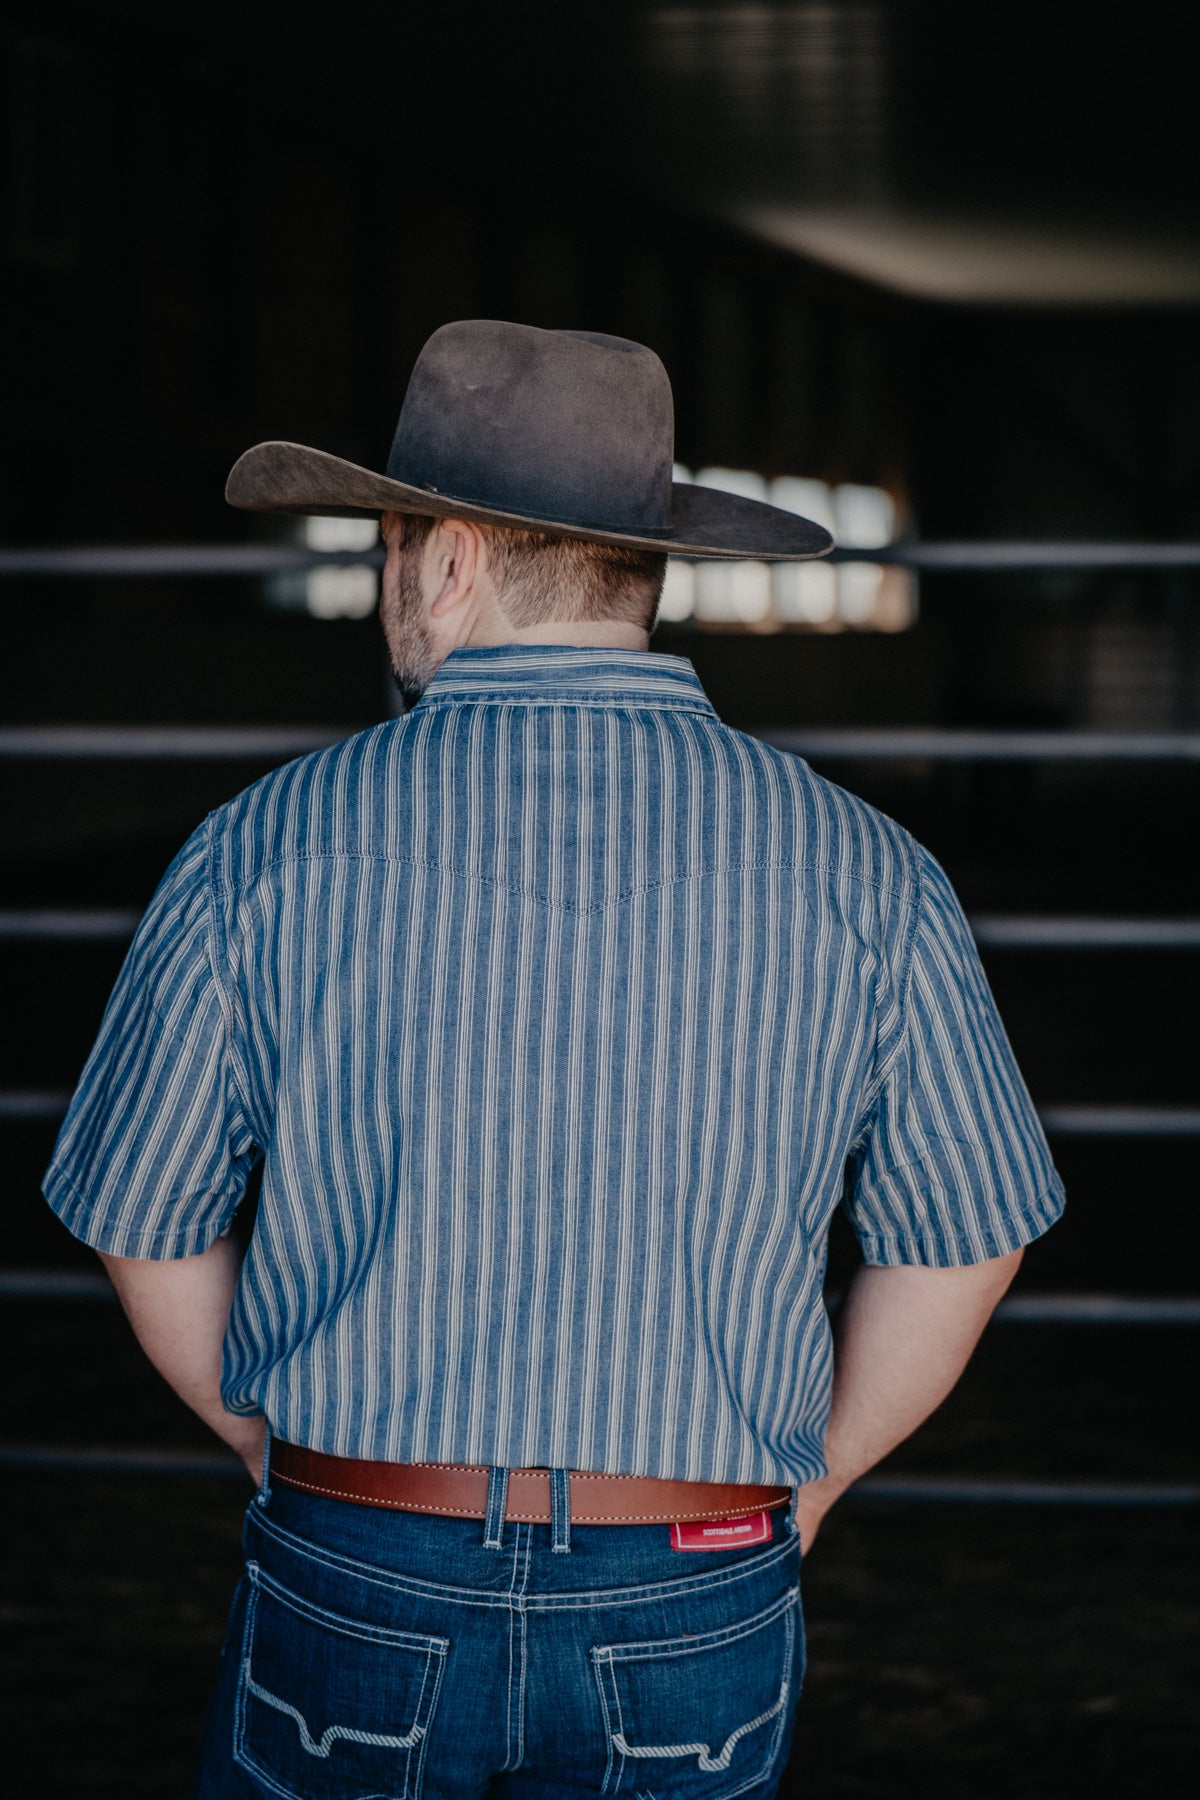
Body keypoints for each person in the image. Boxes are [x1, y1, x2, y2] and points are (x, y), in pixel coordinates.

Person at [43, 319, 1065, 1798]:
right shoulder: (869, 870)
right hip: (698, 1573)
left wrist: (273, 1451)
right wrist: (813, 1480)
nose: (383, 591)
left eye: (389, 551)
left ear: (447, 560)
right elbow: (964, 1239)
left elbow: (143, 1215)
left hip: (359, 1556)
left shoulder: (258, 848)